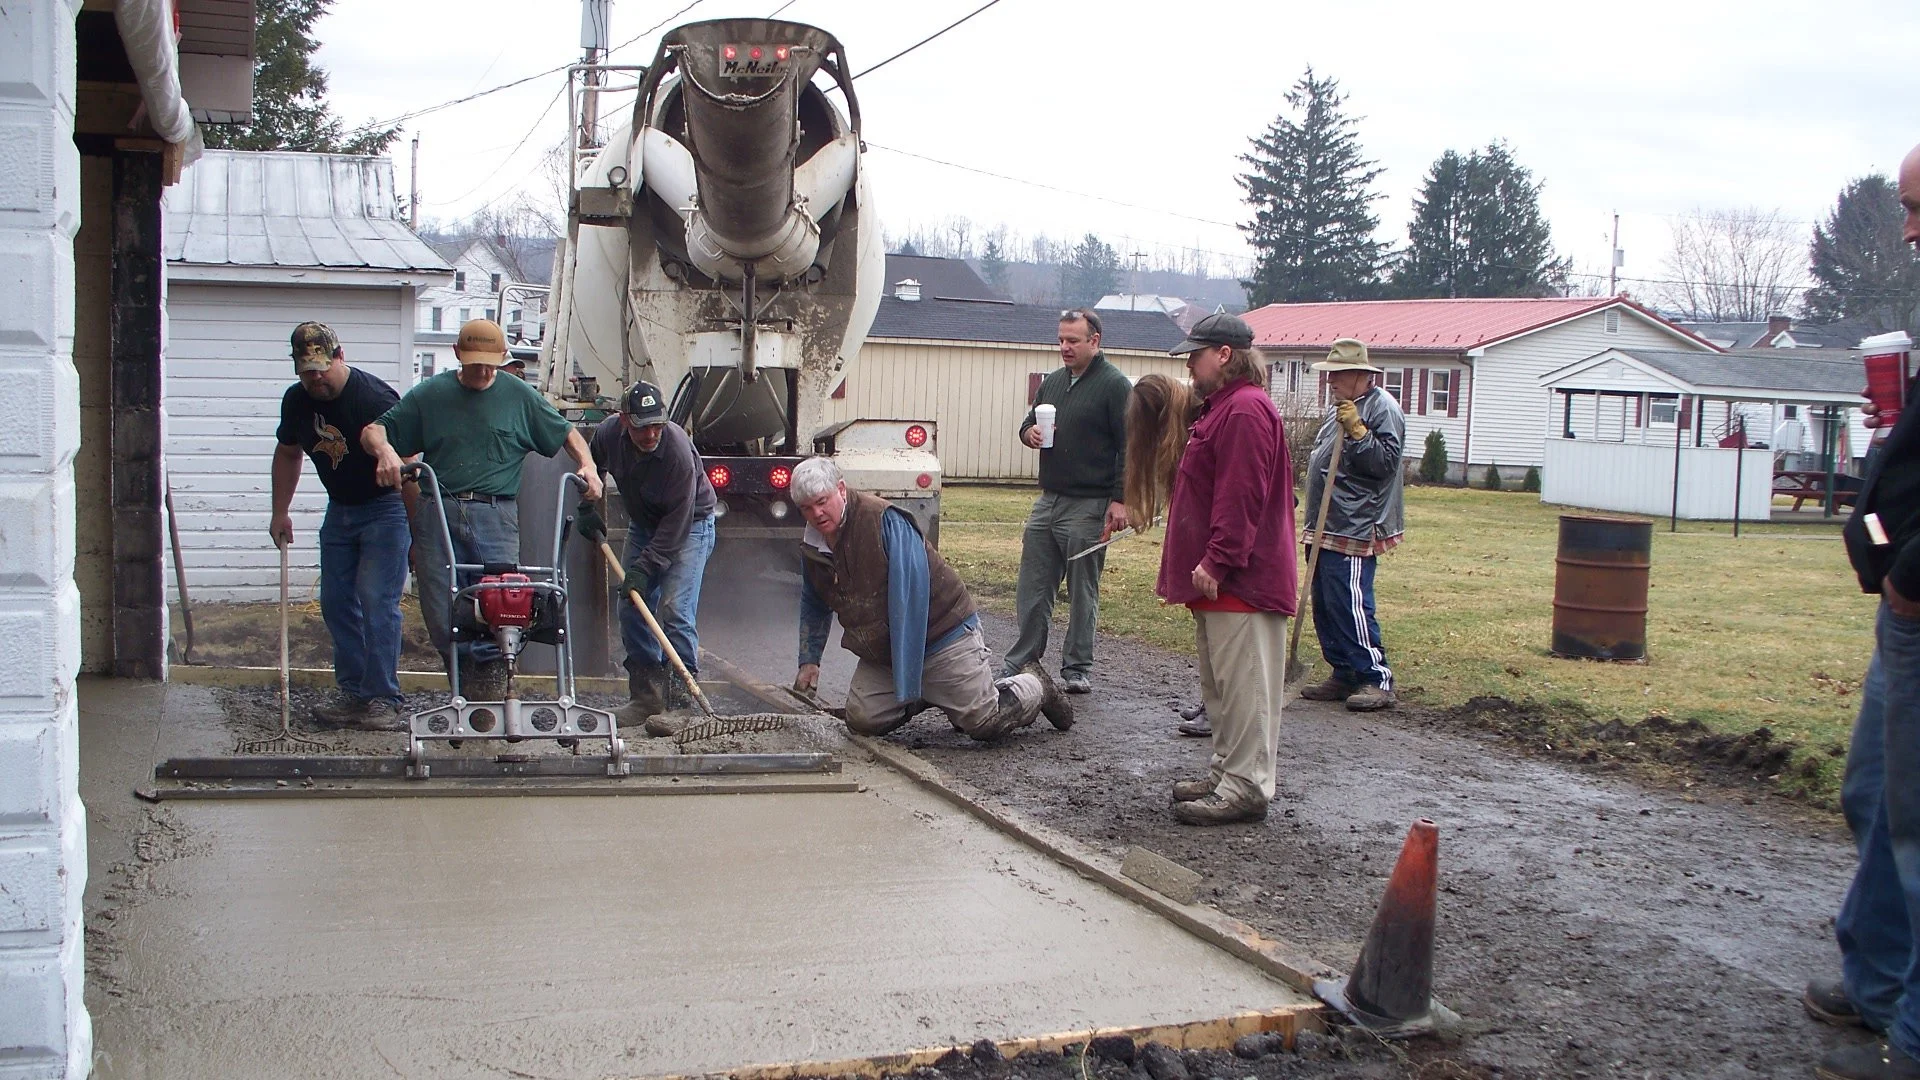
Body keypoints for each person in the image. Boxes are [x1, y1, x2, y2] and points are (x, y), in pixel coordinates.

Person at [1804, 143, 1920, 1080]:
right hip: (1900, 605)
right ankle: (1878, 977)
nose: (1911, 230)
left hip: (1917, 599)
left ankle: (1909, 1033)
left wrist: (1912, 574)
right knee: (1876, 795)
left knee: (1915, 813)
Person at [361, 319, 603, 694]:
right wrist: (387, 452)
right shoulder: (431, 395)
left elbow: (567, 433)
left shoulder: (518, 396)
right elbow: (373, 431)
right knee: (444, 613)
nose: (485, 370)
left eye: (492, 362)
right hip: (438, 511)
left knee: (502, 604)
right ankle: (463, 691)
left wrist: (586, 464)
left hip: (496, 513)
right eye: (476, 362)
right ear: (458, 356)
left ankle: (492, 696)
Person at [789, 457, 1072, 740]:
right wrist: (809, 660)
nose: (817, 513)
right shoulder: (814, 546)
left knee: (984, 722)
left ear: (840, 489)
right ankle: (933, 691)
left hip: (942, 635)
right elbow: (814, 602)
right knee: (863, 720)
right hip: (888, 651)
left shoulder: (883, 521)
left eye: (822, 501)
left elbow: (911, 599)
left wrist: (908, 677)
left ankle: (1034, 684)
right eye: (806, 508)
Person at [1157, 313, 1296, 825]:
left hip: (1243, 580)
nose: (1190, 365)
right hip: (1223, 580)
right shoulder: (1225, 409)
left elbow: (1241, 496)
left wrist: (1218, 558)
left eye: (1196, 354)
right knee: (1222, 687)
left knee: (1246, 687)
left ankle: (1247, 785)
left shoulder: (1243, 411)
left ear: (1224, 355)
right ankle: (1227, 770)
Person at [268, 322, 414, 731]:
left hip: (385, 508)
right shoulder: (296, 402)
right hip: (341, 510)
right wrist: (280, 511)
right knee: (335, 602)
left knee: (376, 599)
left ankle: (383, 697)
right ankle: (353, 691)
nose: (315, 378)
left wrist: (418, 533)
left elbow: (412, 459)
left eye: (321, 368)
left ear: (339, 356)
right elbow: (288, 453)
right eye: (306, 371)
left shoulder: (373, 397)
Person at [1002, 307, 1132, 694]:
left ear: (1095, 340)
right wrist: (1030, 436)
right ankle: (1023, 659)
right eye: (1060, 340)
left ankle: (1076, 667)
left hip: (1090, 503)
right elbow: (1027, 424)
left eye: (1073, 340)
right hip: (1049, 499)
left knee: (1081, 588)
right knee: (1033, 584)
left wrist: (1120, 500)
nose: (1064, 347)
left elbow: (1130, 447)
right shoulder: (1053, 383)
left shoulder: (1114, 386)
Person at [579, 380, 717, 732]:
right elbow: (592, 468)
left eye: (658, 424)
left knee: (674, 609)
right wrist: (587, 504)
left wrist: (644, 568)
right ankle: (646, 697)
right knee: (630, 605)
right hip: (644, 525)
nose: (652, 433)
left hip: (689, 524)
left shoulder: (677, 453)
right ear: (624, 420)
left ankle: (680, 703)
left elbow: (676, 526)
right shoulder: (609, 434)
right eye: (644, 427)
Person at [1299, 338, 1405, 712]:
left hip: (1356, 522)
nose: (1330, 381)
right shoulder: (1340, 409)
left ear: (1360, 374)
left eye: (1337, 374)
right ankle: (1343, 670)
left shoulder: (1382, 409)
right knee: (1325, 602)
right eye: (1329, 374)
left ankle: (1376, 677)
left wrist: (1359, 432)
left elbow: (1385, 464)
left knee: (1350, 601)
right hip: (1326, 521)